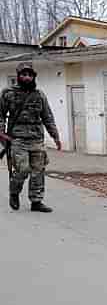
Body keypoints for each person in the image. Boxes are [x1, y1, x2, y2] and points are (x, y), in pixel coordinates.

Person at [0, 62, 62, 212]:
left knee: (38, 171)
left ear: (33, 76)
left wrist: (55, 136)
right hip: (17, 139)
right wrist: (2, 134)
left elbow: (47, 116)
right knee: (23, 169)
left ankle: (36, 201)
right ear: (18, 76)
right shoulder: (8, 93)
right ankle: (14, 192)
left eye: (30, 75)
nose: (27, 77)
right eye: (24, 74)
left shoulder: (39, 95)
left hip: (36, 138)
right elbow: (0, 115)